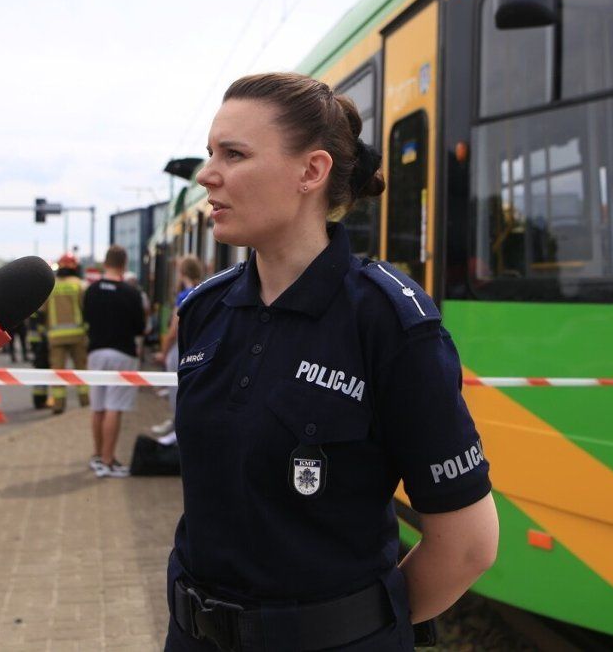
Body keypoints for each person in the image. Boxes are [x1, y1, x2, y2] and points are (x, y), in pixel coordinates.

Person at [166, 73, 499, 651]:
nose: (207, 175)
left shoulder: (389, 323)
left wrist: (357, 627)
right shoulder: (204, 310)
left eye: (234, 154)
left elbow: (468, 544)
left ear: (312, 172)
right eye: (210, 153)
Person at [81, 245, 146, 478]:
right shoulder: (130, 292)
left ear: (105, 262)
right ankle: (109, 460)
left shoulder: (91, 290)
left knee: (97, 406)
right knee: (114, 408)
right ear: (124, 264)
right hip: (122, 353)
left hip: (96, 352)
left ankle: (97, 456)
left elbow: (86, 318)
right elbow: (140, 327)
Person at [152, 254, 204, 438]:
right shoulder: (205, 290)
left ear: (182, 273)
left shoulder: (184, 295)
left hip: (179, 350)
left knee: (176, 391)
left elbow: (173, 330)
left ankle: (176, 432)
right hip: (197, 348)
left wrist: (163, 353)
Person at [42, 254, 90, 414]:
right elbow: (86, 308)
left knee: (58, 373)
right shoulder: (80, 285)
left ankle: (58, 405)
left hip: (56, 337)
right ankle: (85, 403)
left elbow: (42, 311)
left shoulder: (50, 286)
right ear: (75, 268)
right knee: (81, 371)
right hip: (78, 335)